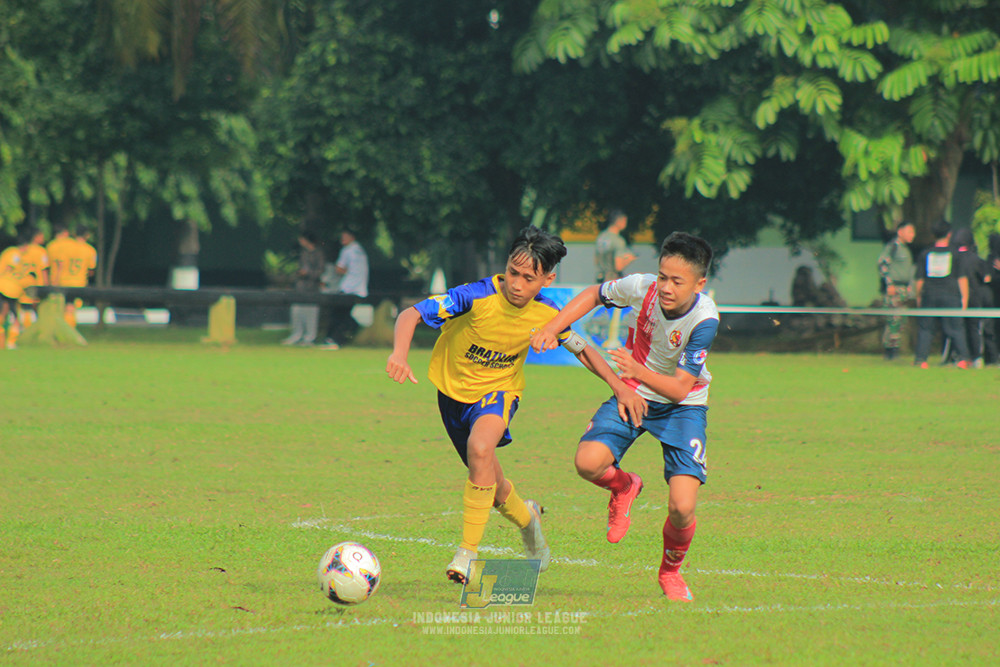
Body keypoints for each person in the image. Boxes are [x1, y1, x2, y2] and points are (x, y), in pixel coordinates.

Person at [386, 225, 645, 585]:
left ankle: (466, 553)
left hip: (498, 393)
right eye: (513, 273)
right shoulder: (473, 297)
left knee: (480, 447)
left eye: (528, 277)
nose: (518, 284)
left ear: (547, 280)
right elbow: (411, 314)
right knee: (493, 486)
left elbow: (583, 350)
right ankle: (529, 522)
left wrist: (618, 386)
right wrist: (400, 353)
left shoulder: (546, 314)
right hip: (451, 395)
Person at [531, 231, 719, 602]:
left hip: (683, 407)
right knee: (587, 462)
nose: (665, 287)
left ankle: (670, 573)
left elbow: (680, 388)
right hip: (634, 393)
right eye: (663, 276)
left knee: (682, 506)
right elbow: (592, 294)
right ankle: (624, 486)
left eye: (677, 281)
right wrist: (552, 328)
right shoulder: (641, 287)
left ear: (699, 283)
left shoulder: (704, 319)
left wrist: (635, 369)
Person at [913, 219, 970, 369]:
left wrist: (918, 296)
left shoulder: (925, 254)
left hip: (929, 295)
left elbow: (919, 279)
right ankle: (963, 359)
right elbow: (962, 278)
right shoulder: (955, 254)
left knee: (926, 328)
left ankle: (921, 360)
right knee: (956, 328)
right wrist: (964, 298)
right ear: (949, 234)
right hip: (951, 295)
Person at [320, 228, 369, 350]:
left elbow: (339, 269)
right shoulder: (360, 250)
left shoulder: (347, 251)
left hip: (347, 288)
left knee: (338, 315)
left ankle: (334, 339)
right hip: (360, 289)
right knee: (344, 313)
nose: (342, 239)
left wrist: (344, 271)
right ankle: (335, 338)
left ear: (352, 237)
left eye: (345, 237)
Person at [595, 209, 637, 348]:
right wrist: (630, 259)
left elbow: (596, 260)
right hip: (613, 281)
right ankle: (613, 343)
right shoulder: (618, 240)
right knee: (615, 314)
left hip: (600, 279)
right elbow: (618, 265)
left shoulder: (601, 237)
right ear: (619, 221)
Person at [877, 221, 915, 360]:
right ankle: (890, 351)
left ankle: (895, 349)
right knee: (893, 319)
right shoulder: (893, 247)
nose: (913, 235)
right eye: (910, 231)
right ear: (900, 232)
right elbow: (882, 263)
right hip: (895, 289)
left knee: (900, 321)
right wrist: (889, 283)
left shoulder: (906, 249)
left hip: (903, 289)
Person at [952, 228, 990, 368]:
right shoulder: (977, 259)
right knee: (974, 327)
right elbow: (986, 278)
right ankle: (976, 357)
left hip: (956, 298)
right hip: (974, 298)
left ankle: (959, 356)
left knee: (957, 328)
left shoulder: (953, 257)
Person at [47, 225, 98, 327]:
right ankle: (69, 331)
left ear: (74, 234)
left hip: (63, 280)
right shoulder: (90, 250)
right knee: (71, 308)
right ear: (87, 235)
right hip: (79, 282)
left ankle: (63, 330)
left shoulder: (66, 246)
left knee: (63, 308)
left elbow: (59, 264)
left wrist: (55, 280)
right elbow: (91, 270)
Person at [281, 230, 325, 346]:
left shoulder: (318, 253)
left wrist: (308, 273)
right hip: (300, 287)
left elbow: (320, 271)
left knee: (311, 313)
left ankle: (309, 337)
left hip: (312, 288)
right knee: (297, 311)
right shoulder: (303, 253)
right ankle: (296, 335)